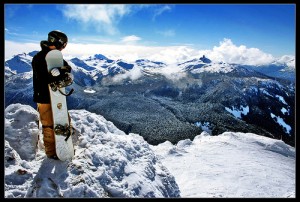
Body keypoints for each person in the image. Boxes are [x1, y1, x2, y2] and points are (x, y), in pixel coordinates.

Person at [31, 30, 72, 160]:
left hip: (56, 96)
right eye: (64, 44)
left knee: (63, 122)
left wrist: (61, 70)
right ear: (60, 42)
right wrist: (52, 75)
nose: (64, 47)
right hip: (44, 97)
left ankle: (63, 146)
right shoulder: (39, 57)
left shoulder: (56, 58)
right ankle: (51, 152)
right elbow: (42, 78)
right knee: (48, 125)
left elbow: (68, 68)